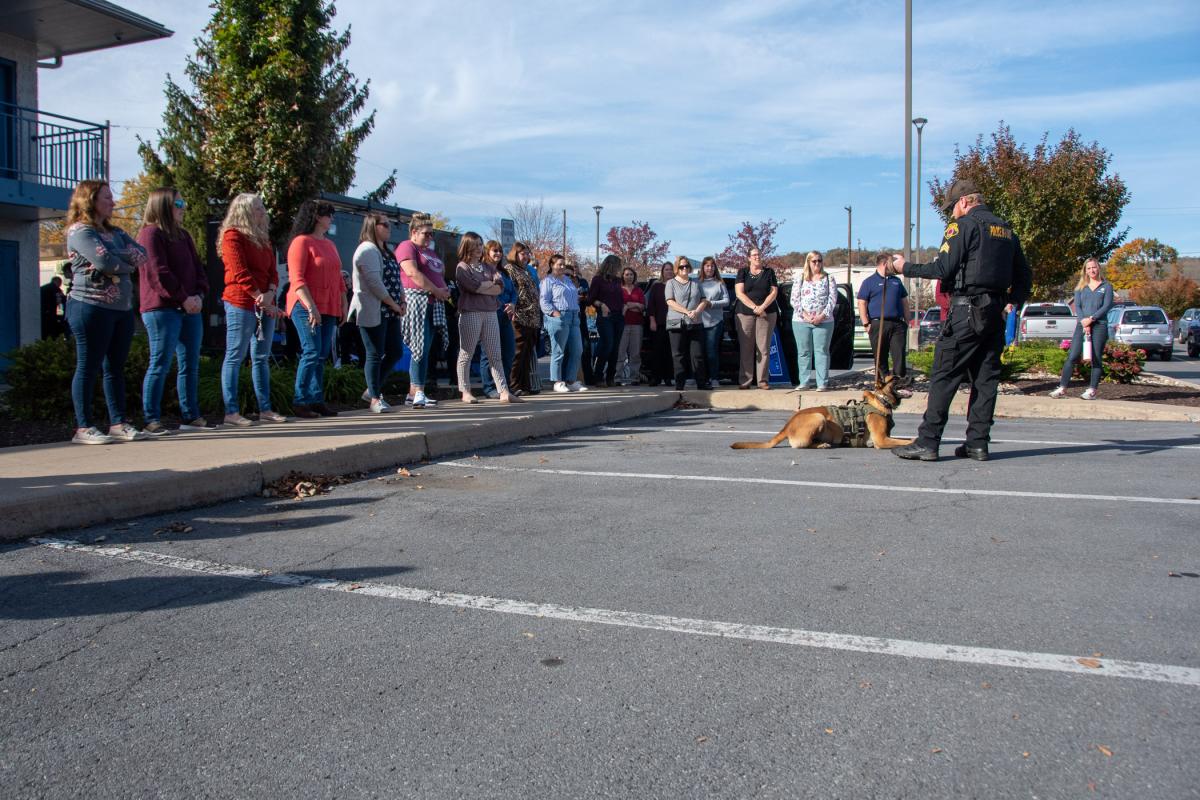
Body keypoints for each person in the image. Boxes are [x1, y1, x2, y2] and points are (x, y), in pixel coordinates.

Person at [891, 178, 1032, 461]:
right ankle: (978, 443)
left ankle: (928, 441)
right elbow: (1024, 276)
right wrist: (1011, 302)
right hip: (994, 313)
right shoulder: (1006, 231)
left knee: (944, 375)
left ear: (965, 201)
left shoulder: (962, 226)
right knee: (985, 379)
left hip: (966, 311)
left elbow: (943, 267)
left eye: (952, 207)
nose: (951, 213)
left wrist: (904, 267)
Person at [63, 179, 148, 444]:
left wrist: (118, 258)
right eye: (107, 198)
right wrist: (122, 260)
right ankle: (83, 426)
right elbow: (105, 261)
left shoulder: (117, 232)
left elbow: (141, 256)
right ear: (90, 201)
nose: (113, 202)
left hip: (121, 309)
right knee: (88, 366)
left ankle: (118, 422)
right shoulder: (80, 232)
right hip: (90, 307)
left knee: (115, 368)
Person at [137, 187, 210, 435]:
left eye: (183, 202)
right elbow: (158, 273)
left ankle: (190, 416)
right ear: (163, 206)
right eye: (178, 203)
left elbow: (199, 270)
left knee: (190, 364)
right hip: (162, 310)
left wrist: (199, 295)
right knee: (160, 362)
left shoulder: (183, 235)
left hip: (190, 308)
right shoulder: (150, 234)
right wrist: (182, 298)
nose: (183, 208)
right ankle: (151, 419)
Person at [218, 193, 287, 426]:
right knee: (235, 355)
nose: (262, 211)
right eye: (257, 208)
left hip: (264, 304)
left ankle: (264, 409)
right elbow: (239, 271)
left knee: (261, 357)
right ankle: (231, 411)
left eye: (262, 207)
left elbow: (272, 272)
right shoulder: (233, 236)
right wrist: (258, 296)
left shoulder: (263, 240)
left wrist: (270, 292)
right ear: (244, 211)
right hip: (241, 302)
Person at [286, 199, 346, 419]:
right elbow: (297, 278)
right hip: (305, 305)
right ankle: (300, 401)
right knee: (311, 351)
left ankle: (316, 399)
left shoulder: (330, 245)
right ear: (317, 217)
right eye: (328, 214)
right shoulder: (301, 242)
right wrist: (311, 307)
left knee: (321, 354)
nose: (331, 218)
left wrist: (343, 302)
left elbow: (338, 277)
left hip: (328, 306)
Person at [349, 212, 406, 413]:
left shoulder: (386, 251)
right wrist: (392, 303)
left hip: (390, 310)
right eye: (385, 225)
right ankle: (374, 397)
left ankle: (370, 389)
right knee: (374, 353)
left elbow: (395, 278)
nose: (389, 229)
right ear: (374, 226)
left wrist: (402, 299)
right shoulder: (366, 250)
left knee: (396, 351)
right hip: (373, 309)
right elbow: (374, 283)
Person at [455, 232, 519, 404]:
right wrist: (485, 286)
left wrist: (484, 287)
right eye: (474, 244)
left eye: (480, 244)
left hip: (491, 312)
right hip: (471, 312)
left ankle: (503, 391)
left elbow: (500, 287)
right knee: (466, 353)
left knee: (495, 355)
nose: (478, 248)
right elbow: (472, 286)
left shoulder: (488, 267)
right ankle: (465, 391)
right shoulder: (462, 267)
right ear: (466, 246)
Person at [397, 213, 451, 409]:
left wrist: (443, 290)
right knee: (418, 347)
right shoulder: (407, 246)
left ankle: (415, 392)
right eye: (426, 234)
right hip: (417, 301)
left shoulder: (431, 252)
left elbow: (439, 273)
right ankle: (417, 390)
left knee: (425, 347)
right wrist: (436, 290)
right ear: (414, 232)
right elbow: (412, 272)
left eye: (432, 234)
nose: (430, 238)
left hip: (433, 303)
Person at [1050, 258, 1114, 401]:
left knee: (1096, 358)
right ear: (1085, 271)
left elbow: (1107, 306)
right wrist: (1084, 322)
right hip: (1082, 324)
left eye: (1094, 267)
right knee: (1072, 356)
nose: (1092, 270)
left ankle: (1092, 390)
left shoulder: (1107, 286)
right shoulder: (1080, 288)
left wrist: (1091, 319)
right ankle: (1062, 388)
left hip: (1099, 325)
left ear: (1099, 268)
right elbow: (1077, 306)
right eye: (1089, 268)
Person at [858, 252, 910, 385]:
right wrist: (866, 323)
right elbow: (862, 302)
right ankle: (882, 381)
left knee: (899, 354)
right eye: (892, 263)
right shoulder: (869, 282)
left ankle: (898, 382)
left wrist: (907, 320)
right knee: (880, 356)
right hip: (878, 324)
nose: (894, 266)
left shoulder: (896, 281)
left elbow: (904, 301)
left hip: (897, 324)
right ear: (885, 263)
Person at [791, 251, 838, 391]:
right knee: (804, 352)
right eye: (814, 261)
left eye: (819, 260)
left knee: (821, 351)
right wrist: (805, 316)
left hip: (824, 321)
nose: (817, 263)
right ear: (808, 262)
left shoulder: (829, 278)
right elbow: (794, 300)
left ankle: (822, 382)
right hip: (801, 321)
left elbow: (832, 300)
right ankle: (804, 382)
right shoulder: (800, 278)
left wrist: (821, 316)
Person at [540, 253, 587, 393]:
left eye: (563, 264)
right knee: (558, 351)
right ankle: (557, 381)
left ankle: (571, 380)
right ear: (552, 265)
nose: (561, 267)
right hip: (559, 316)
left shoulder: (567, 279)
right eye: (559, 264)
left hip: (573, 317)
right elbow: (544, 301)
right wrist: (554, 313)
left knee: (577, 349)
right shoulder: (548, 281)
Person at [733, 247, 779, 389]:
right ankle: (745, 381)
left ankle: (763, 381)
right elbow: (739, 293)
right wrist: (754, 308)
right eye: (754, 255)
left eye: (759, 254)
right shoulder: (743, 272)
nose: (757, 257)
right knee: (746, 349)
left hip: (767, 313)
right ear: (749, 258)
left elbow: (774, 292)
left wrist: (762, 307)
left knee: (763, 349)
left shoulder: (769, 272)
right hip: (745, 314)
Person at [479, 240, 516, 399]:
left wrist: (513, 304)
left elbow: (514, 292)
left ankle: (504, 386)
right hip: (489, 314)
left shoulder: (505, 273)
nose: (498, 254)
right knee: (488, 353)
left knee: (508, 351)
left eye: (500, 251)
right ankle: (489, 387)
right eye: (495, 251)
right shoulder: (482, 271)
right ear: (487, 252)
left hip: (505, 317)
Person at [665, 256, 708, 390]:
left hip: (695, 322)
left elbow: (704, 300)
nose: (684, 269)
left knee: (697, 354)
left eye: (686, 266)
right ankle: (679, 384)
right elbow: (670, 301)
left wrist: (696, 311)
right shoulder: (670, 283)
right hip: (676, 322)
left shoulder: (696, 283)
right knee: (678, 355)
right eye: (681, 267)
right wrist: (686, 311)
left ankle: (701, 383)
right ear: (676, 268)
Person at [506, 242, 542, 395]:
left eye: (528, 254)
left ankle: (525, 385)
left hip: (532, 317)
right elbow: (511, 291)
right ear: (515, 254)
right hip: (519, 316)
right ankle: (513, 385)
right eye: (523, 253)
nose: (526, 257)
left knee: (528, 352)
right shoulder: (510, 269)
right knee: (518, 352)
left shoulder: (528, 271)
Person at [587, 255, 626, 386]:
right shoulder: (597, 280)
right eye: (617, 266)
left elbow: (621, 297)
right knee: (607, 345)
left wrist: (624, 307)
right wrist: (601, 304)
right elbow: (590, 299)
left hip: (619, 317)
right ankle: (598, 376)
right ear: (610, 265)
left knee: (616, 348)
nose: (618, 269)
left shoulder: (618, 281)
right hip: (605, 317)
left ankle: (610, 377)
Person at [697, 256, 728, 387]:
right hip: (698, 322)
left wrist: (712, 303)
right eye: (707, 266)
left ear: (715, 268)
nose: (709, 268)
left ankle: (714, 378)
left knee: (711, 351)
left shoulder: (720, 283)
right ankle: (699, 378)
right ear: (703, 268)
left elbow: (726, 301)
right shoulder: (696, 282)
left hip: (714, 323)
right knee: (698, 352)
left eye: (712, 266)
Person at [645, 261, 675, 386]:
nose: (668, 271)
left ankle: (669, 378)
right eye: (666, 269)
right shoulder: (656, 286)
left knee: (670, 352)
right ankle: (655, 378)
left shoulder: (676, 286)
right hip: (659, 323)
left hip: (674, 324)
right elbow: (651, 305)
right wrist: (652, 320)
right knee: (657, 352)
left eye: (670, 269)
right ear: (662, 272)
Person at [617, 266, 646, 384]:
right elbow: (620, 307)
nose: (629, 276)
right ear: (623, 276)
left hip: (637, 324)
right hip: (623, 324)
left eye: (631, 274)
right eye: (627, 274)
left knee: (635, 353)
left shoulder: (638, 291)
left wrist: (629, 305)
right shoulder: (619, 289)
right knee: (621, 352)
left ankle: (634, 377)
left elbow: (642, 307)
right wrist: (636, 305)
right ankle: (617, 377)